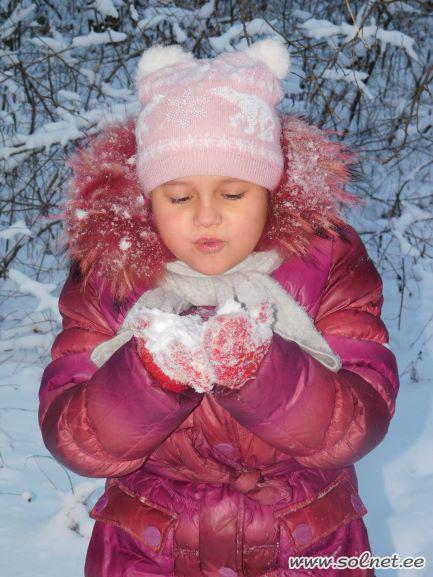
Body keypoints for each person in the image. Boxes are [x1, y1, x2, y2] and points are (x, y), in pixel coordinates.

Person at [39, 38, 400, 577]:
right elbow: (75, 438)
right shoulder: (111, 277)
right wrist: (149, 379)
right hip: (150, 549)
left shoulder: (326, 264)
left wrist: (263, 372)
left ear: (271, 190)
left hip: (308, 543)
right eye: (180, 197)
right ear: (148, 198)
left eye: (233, 194)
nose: (206, 217)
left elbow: (358, 420)